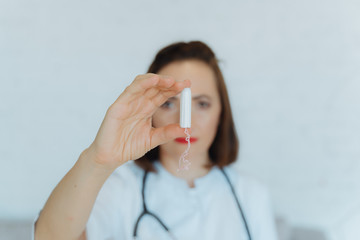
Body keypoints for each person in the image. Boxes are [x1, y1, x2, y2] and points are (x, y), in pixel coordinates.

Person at [33, 41, 278, 240]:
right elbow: (48, 237)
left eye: (202, 104)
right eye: (168, 103)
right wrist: (98, 160)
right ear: (149, 112)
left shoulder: (251, 194)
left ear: (221, 113)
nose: (186, 122)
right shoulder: (121, 188)